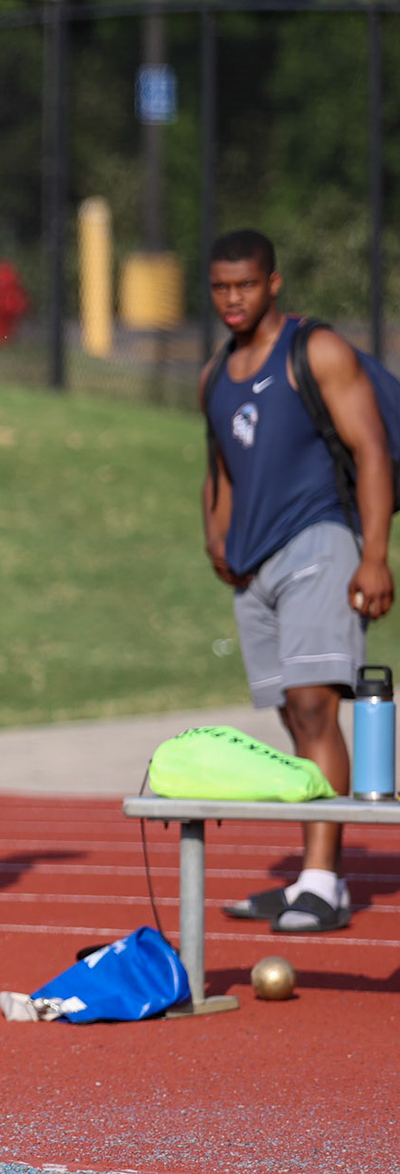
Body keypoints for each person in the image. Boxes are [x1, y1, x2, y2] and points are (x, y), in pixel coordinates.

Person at [201, 229, 392, 934]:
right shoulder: (213, 373)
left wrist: (374, 555)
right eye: (220, 286)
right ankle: (322, 877)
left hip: (320, 543)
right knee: (292, 717)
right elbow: (218, 463)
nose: (232, 299)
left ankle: (318, 881)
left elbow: (371, 450)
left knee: (316, 706)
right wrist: (215, 532)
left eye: (245, 285)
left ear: (272, 283)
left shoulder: (316, 351)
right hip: (253, 567)